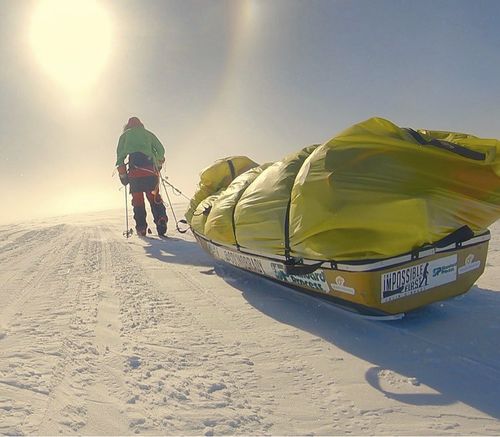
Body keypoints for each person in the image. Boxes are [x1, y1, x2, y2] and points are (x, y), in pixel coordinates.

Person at [116, 116, 168, 236]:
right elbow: (161, 150)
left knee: (138, 201)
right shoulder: (148, 134)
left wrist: (123, 175)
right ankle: (161, 219)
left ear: (128, 127)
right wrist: (158, 163)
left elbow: (120, 157)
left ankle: (141, 228)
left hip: (135, 173)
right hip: (150, 172)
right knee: (154, 197)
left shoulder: (125, 136)